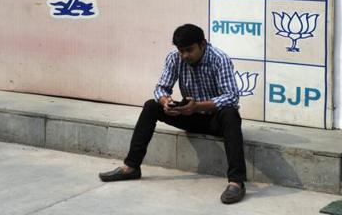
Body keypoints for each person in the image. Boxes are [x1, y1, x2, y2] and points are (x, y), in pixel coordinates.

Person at [98, 23, 247, 204]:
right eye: (180, 50)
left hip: (216, 120)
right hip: (188, 114)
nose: (184, 56)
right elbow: (161, 88)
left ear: (203, 44)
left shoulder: (219, 59)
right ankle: (131, 167)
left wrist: (198, 105)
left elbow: (232, 97)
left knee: (230, 113)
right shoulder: (174, 58)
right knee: (151, 106)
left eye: (189, 50)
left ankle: (236, 182)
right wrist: (166, 102)